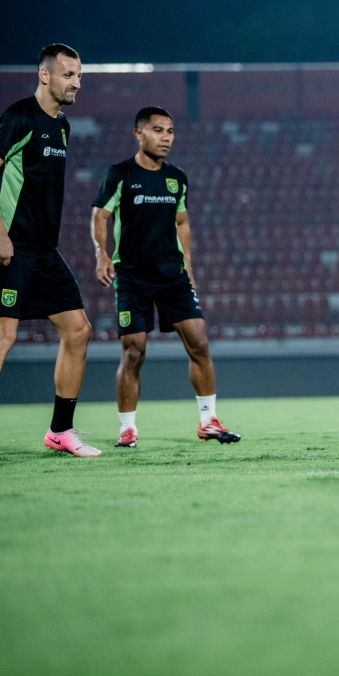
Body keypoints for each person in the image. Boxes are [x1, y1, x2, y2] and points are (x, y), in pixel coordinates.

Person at [92, 106, 238, 448]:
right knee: (134, 351)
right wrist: (101, 254)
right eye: (158, 130)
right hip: (132, 277)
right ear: (138, 133)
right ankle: (128, 428)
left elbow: (182, 222)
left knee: (199, 342)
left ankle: (208, 422)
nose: (166, 138)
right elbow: (100, 216)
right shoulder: (120, 174)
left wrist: (188, 267)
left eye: (170, 131)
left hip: (173, 277)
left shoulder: (177, 178)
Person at [0, 44, 97, 458]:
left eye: (79, 76)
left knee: (79, 330)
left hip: (45, 253)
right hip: (10, 251)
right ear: (45, 76)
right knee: (2, 335)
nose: (76, 83)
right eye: (69, 75)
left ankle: (60, 431)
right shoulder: (19, 118)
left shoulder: (63, 127)